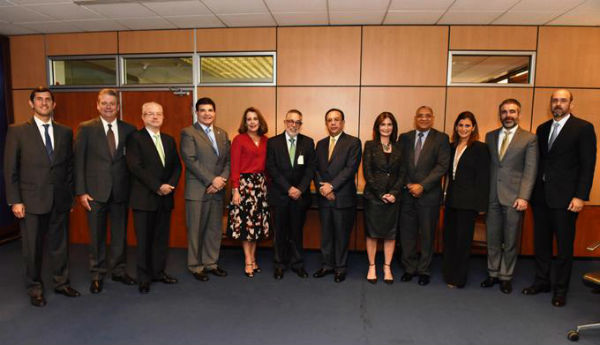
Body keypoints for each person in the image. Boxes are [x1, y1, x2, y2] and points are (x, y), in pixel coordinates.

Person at [4, 87, 81, 307]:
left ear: (54, 104)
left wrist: (70, 197)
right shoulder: (17, 131)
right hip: (30, 201)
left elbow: (69, 167)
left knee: (60, 245)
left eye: (48, 99)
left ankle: (61, 283)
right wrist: (15, 200)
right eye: (39, 99)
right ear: (31, 104)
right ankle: (35, 288)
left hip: (59, 199)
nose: (44, 103)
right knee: (32, 248)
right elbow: (10, 170)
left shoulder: (65, 132)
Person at [523, 89, 596, 307]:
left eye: (563, 100)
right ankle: (542, 281)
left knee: (564, 247)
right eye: (555, 100)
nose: (558, 104)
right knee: (541, 243)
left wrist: (580, 196)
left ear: (571, 104)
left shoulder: (583, 128)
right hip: (541, 197)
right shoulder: (543, 128)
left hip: (567, 199)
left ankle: (560, 290)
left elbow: (587, 166)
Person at [74, 88, 136, 293]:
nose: (108, 107)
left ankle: (118, 271)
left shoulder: (129, 129)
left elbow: (132, 162)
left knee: (120, 235)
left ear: (118, 107)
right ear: (98, 105)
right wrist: (81, 192)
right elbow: (78, 162)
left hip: (120, 192)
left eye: (112, 103)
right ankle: (97, 274)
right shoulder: (86, 128)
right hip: (94, 193)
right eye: (104, 103)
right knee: (97, 236)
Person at [482, 99, 538, 294]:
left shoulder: (529, 139)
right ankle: (493, 273)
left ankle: (506, 276)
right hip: (492, 196)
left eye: (512, 112)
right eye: (504, 112)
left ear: (519, 114)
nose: (508, 115)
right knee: (493, 238)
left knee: (511, 239)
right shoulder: (490, 136)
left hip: (515, 198)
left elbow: (530, 170)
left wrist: (524, 197)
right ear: (500, 115)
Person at [125, 102, 181, 294]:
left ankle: (158, 272)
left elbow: (177, 166)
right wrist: (157, 186)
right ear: (143, 117)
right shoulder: (135, 138)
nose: (155, 117)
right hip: (144, 198)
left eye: (158, 114)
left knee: (160, 239)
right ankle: (144, 278)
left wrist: (169, 186)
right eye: (150, 114)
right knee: (144, 241)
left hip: (165, 198)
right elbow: (135, 167)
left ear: (163, 117)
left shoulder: (169, 139)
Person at [397, 106, 450, 286]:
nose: (424, 119)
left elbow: (442, 166)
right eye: (420, 116)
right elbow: (399, 164)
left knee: (427, 235)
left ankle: (424, 270)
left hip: (429, 195)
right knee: (407, 234)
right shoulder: (405, 138)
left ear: (433, 118)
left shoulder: (441, 138)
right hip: (407, 194)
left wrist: (422, 186)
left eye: (428, 116)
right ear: (415, 118)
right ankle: (409, 268)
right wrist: (407, 184)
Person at [181, 97, 230, 282]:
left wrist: (221, 180)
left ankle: (211, 263)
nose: (207, 113)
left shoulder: (222, 134)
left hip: (217, 190)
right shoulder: (188, 133)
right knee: (196, 229)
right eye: (203, 110)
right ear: (197, 112)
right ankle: (196, 266)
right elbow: (190, 160)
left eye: (210, 110)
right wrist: (212, 180)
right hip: (198, 190)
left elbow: (227, 161)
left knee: (214, 229)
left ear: (215, 113)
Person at [266, 109, 316, 280]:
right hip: (280, 195)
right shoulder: (273, 143)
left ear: (301, 124)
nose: (294, 125)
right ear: (285, 122)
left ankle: (297, 264)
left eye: (298, 122)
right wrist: (289, 188)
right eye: (291, 121)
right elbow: (271, 168)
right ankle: (279, 265)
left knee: (296, 232)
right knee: (280, 232)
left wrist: (299, 189)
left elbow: (310, 169)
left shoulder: (308, 143)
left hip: (299, 197)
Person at [313, 108, 362, 283]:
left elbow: (350, 169)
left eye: (336, 119)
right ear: (326, 123)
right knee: (326, 234)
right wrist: (324, 189)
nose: (333, 123)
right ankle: (327, 265)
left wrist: (332, 186)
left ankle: (340, 268)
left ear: (342, 122)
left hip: (343, 197)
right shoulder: (320, 144)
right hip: (324, 198)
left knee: (341, 235)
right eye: (329, 120)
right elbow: (316, 168)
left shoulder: (353, 142)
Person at [443, 111, 490, 288]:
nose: (464, 129)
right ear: (456, 127)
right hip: (451, 201)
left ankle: (459, 278)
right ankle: (449, 274)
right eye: (461, 125)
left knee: (463, 242)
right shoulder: (450, 146)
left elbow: (483, 178)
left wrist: (481, 205)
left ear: (473, 128)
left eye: (467, 126)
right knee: (450, 239)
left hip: (469, 203)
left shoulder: (480, 148)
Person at [227, 107, 271, 277]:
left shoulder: (266, 141)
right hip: (244, 186)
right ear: (245, 122)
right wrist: (236, 190)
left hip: (261, 185)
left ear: (260, 122)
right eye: (249, 119)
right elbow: (235, 166)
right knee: (247, 225)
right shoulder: (239, 140)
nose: (252, 122)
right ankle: (248, 261)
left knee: (256, 226)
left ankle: (253, 258)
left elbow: (268, 166)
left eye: (255, 119)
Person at [362, 112, 405, 284]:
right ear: (377, 127)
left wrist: (393, 193)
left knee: (390, 233)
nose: (386, 128)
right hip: (374, 197)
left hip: (393, 198)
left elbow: (402, 173)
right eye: (383, 124)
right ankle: (372, 266)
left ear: (393, 127)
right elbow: (367, 172)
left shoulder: (400, 147)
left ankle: (387, 267)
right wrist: (381, 194)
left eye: (389, 124)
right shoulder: (370, 145)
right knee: (372, 233)